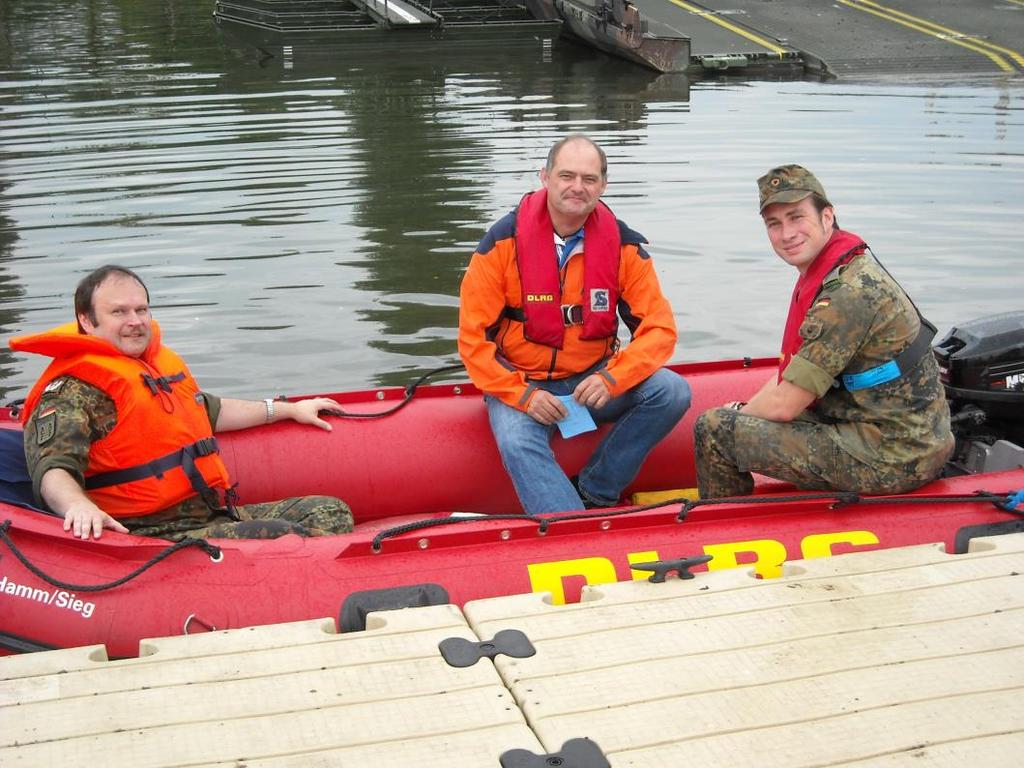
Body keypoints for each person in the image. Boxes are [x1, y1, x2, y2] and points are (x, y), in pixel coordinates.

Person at [9, 265, 354, 541]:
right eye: (119, 311)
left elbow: (208, 410)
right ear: (86, 320)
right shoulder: (71, 390)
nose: (135, 321)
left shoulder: (153, 368)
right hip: (148, 533)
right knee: (286, 537)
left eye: (141, 309)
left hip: (208, 513)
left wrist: (290, 409)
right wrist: (77, 507)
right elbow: (53, 469)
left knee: (328, 511)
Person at [458, 134, 691, 514]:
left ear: (603, 185)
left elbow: (659, 330)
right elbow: (473, 341)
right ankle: (572, 530)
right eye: (567, 176)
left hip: (592, 380)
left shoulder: (624, 247)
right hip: (522, 383)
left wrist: (611, 377)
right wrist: (523, 395)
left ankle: (595, 490)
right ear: (545, 177)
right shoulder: (501, 244)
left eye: (589, 178)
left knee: (671, 392)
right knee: (517, 441)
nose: (577, 187)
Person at [694, 165, 954, 498]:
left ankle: (727, 532)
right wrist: (743, 413)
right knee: (736, 417)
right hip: (897, 430)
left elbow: (785, 404)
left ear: (827, 217)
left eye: (796, 217)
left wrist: (735, 416)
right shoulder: (839, 268)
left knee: (714, 429)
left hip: (896, 456)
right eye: (775, 224)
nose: (787, 234)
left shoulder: (847, 294)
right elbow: (793, 379)